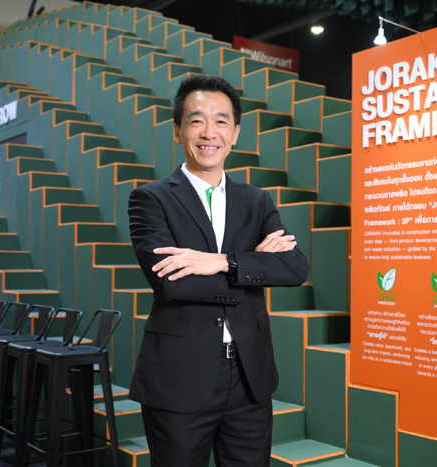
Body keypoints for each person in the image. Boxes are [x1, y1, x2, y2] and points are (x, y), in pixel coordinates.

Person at [128, 75, 309, 467]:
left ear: (236, 133)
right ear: (177, 131)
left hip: (249, 377)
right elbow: (172, 282)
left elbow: (295, 267)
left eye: (221, 121)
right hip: (180, 377)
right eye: (196, 120)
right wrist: (254, 264)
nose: (209, 132)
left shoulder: (257, 201)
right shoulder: (150, 199)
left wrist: (222, 261)